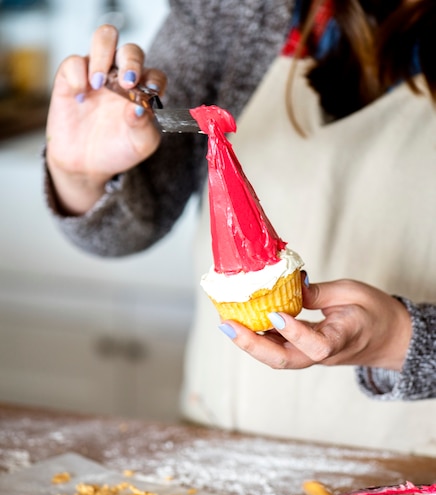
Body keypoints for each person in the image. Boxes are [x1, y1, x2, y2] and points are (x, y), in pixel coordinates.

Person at [44, 0, 436, 454]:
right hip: (226, 445)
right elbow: (131, 226)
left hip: (416, 470)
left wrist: (403, 340)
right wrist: (82, 174)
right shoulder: (229, 9)